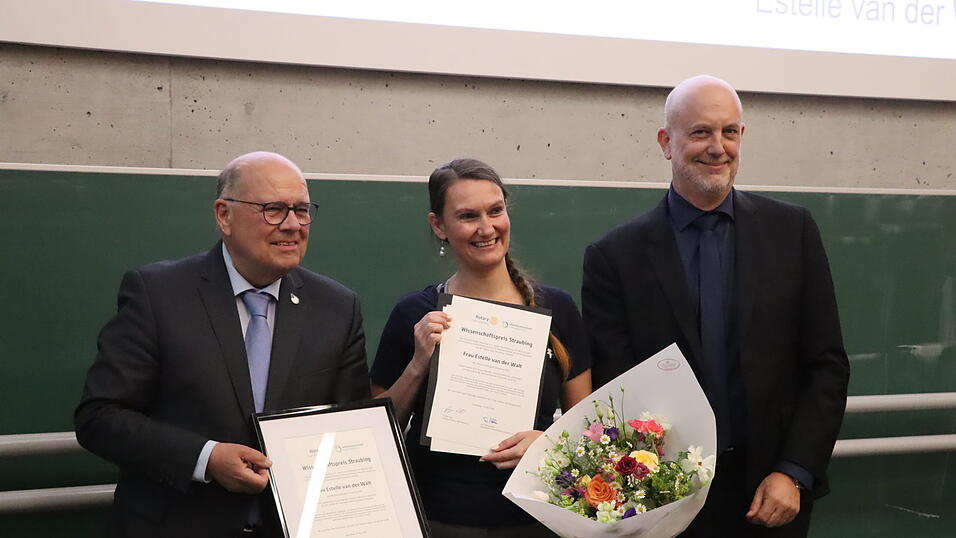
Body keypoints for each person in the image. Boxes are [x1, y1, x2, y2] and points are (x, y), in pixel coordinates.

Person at [582, 76, 850, 537]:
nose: (717, 147)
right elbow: (615, 385)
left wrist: (794, 471)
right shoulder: (614, 256)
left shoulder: (793, 232)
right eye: (701, 132)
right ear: (667, 143)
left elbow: (826, 366)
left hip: (773, 494)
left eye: (729, 132)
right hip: (664, 500)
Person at [75, 151, 370, 537]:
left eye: (301, 209)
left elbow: (351, 429)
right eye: (273, 209)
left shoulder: (337, 307)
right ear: (223, 215)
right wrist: (206, 458)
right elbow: (100, 417)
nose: (293, 225)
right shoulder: (158, 294)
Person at [370, 159, 592, 537]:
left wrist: (550, 441)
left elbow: (588, 424)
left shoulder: (559, 310)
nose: (486, 228)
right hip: (438, 518)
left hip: (537, 516)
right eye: (468, 216)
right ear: (439, 226)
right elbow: (375, 429)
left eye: (495, 211)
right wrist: (418, 362)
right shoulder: (415, 312)